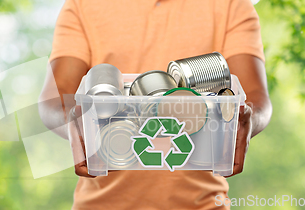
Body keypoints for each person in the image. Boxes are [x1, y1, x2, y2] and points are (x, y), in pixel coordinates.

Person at [39, 0, 273, 209]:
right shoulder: (82, 5)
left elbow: (254, 97)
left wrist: (246, 119)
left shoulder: (232, 4)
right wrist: (74, 122)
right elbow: (54, 100)